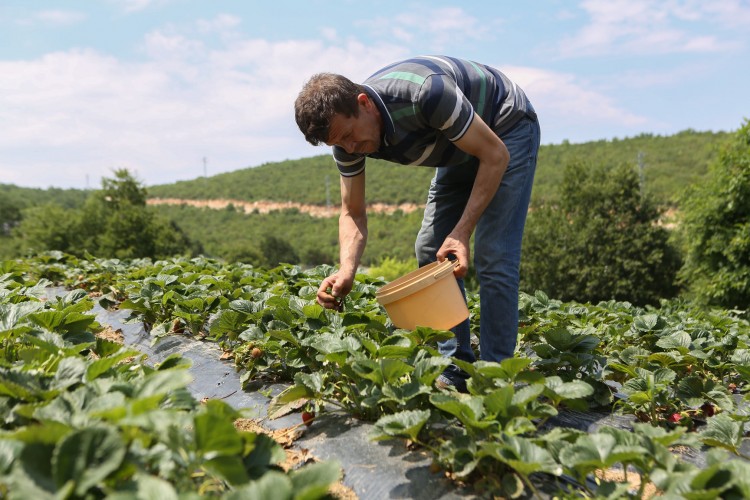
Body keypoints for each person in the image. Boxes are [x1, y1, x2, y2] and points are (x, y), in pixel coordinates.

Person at [294, 55, 540, 391]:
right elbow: (352, 212)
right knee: (429, 247)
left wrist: (462, 231)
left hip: (505, 126)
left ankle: (497, 376)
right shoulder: (346, 140)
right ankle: (455, 365)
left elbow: (494, 155)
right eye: (340, 143)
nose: (351, 148)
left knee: (494, 252)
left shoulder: (426, 94)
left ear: (363, 103)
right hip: (460, 143)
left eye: (350, 136)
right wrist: (347, 269)